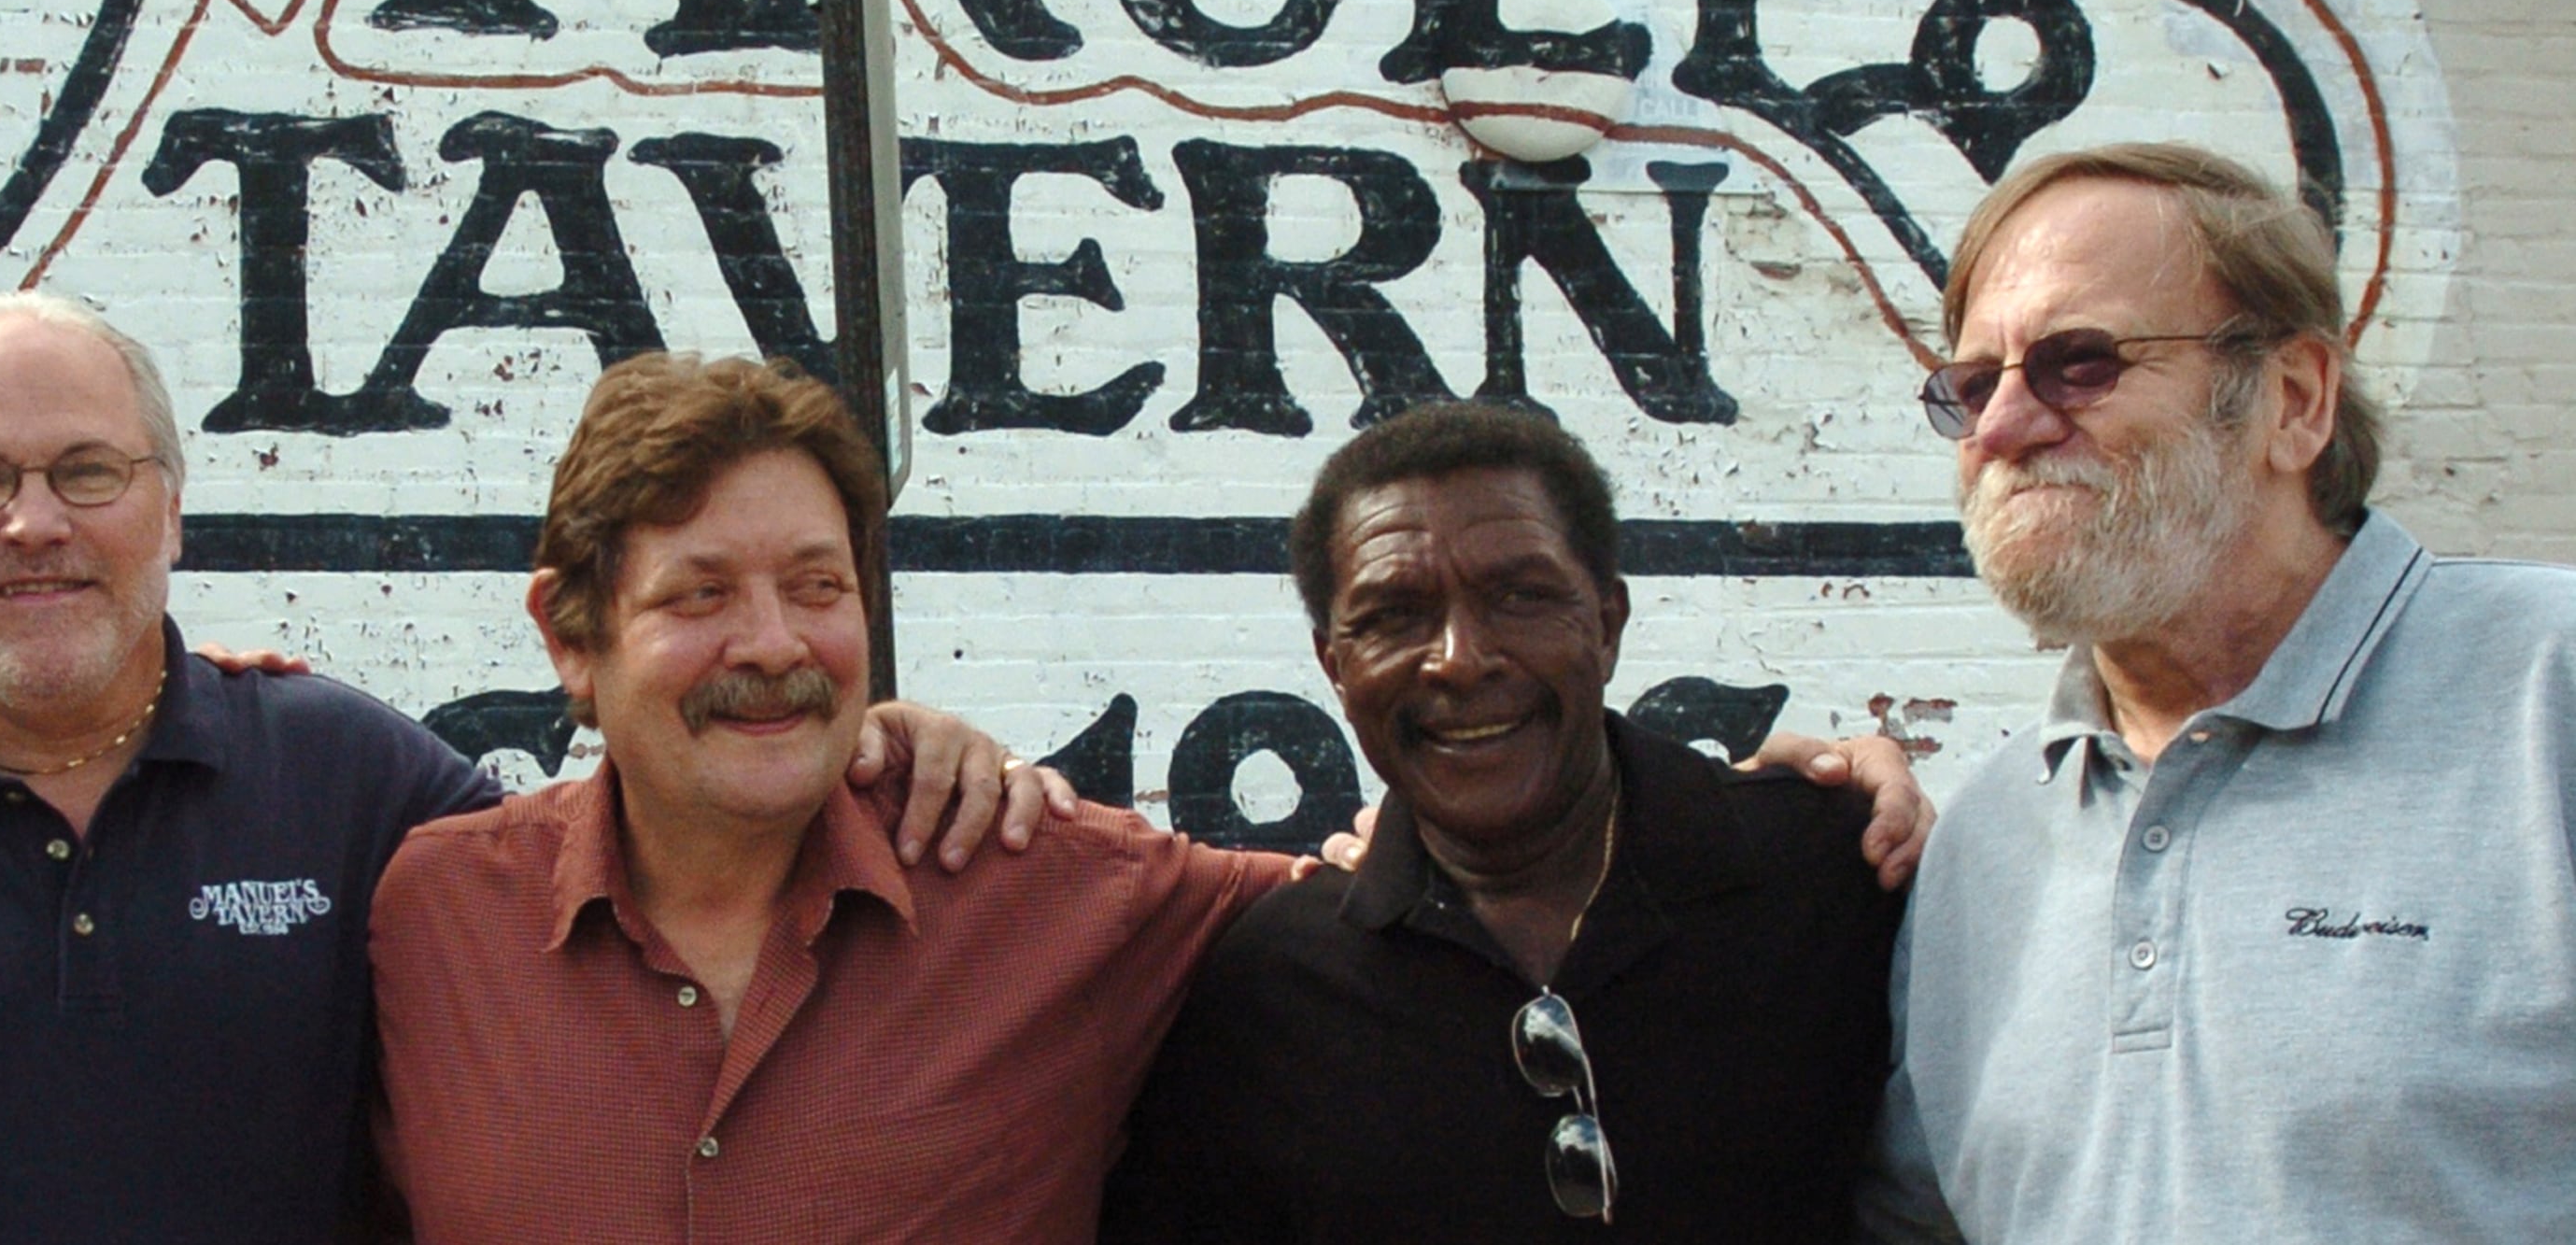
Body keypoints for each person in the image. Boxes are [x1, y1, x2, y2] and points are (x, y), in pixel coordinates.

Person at [0, 299, 1049, 1243]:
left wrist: (856, 743)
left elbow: (636, 862)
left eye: (89, 472)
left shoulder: (350, 780)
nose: (36, 521)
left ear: (172, 506)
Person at [369, 352, 1299, 1244]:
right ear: (571, 637)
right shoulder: (435, 918)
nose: (774, 645)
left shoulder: (1061, 891)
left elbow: (1391, 925)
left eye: (818, 588)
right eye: (701, 595)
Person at [1856, 145, 2576, 1241]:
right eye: (1970, 386)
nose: (2000, 429)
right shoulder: (1987, 837)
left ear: (2294, 401)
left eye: (2079, 363)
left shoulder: (2547, 694)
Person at [1103, 401, 1904, 1241]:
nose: (1459, 658)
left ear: (1606, 624)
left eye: (1519, 596)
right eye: (1393, 617)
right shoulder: (1269, 992)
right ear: (1335, 668)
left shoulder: (1836, 877)